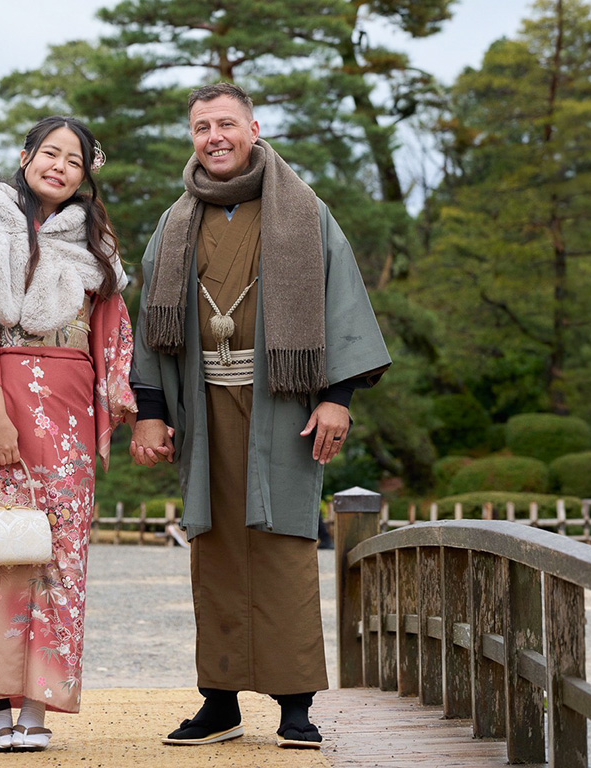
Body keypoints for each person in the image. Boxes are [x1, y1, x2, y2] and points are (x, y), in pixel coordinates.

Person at [130, 83, 391, 750]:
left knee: (284, 546)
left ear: (252, 126)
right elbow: (151, 330)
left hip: (282, 403)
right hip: (204, 403)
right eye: (200, 127)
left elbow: (342, 304)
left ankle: (296, 705)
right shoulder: (176, 220)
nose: (213, 136)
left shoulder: (303, 212)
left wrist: (338, 398)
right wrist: (150, 414)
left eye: (225, 123)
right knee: (211, 546)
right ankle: (219, 703)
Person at [0, 116, 136, 753]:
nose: (61, 168)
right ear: (25, 156)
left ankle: (39, 705)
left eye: (75, 161)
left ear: (85, 175)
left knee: (60, 557)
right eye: (50, 153)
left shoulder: (95, 244)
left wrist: (117, 408)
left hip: (67, 411)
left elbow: (113, 333)